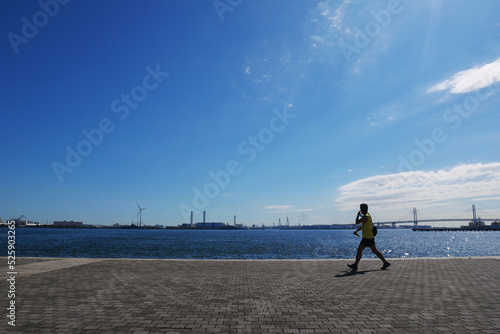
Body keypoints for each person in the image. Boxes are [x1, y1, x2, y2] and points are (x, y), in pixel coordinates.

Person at [348, 203, 391, 270]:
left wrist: (357, 215)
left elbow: (357, 222)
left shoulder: (365, 217)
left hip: (367, 237)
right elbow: (363, 226)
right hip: (370, 237)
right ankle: (385, 263)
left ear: (362, 210)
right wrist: (357, 231)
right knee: (375, 251)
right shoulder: (368, 215)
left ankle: (355, 265)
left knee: (359, 250)